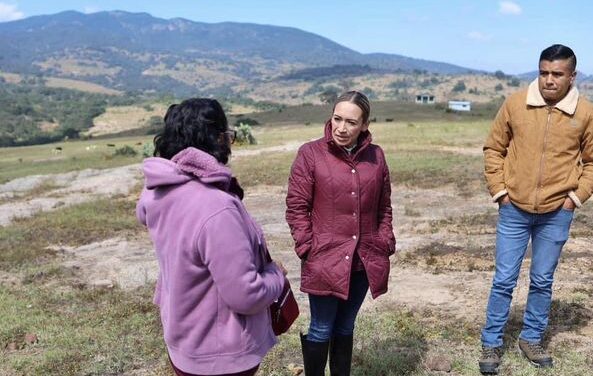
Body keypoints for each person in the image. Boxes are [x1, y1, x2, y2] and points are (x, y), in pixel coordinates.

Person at [136, 98, 286, 376]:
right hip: (220, 355)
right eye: (228, 135)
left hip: (183, 343)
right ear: (218, 139)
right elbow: (246, 295)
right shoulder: (216, 208)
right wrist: (276, 275)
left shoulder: (158, 193)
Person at [479, 44, 593, 374]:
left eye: (557, 74)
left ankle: (531, 338)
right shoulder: (516, 103)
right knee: (504, 279)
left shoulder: (584, 113)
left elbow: (591, 162)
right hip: (513, 209)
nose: (549, 80)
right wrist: (500, 192)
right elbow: (493, 149)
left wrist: (575, 199)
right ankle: (491, 342)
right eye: (543, 72)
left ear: (572, 76)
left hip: (557, 212)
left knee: (542, 280)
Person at [286, 90, 396, 375]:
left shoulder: (376, 156)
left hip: (364, 259)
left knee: (346, 326)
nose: (341, 128)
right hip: (324, 258)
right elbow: (297, 206)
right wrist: (306, 247)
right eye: (337, 119)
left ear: (365, 125)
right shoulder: (310, 154)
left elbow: (384, 206)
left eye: (350, 122)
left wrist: (385, 241)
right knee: (321, 327)